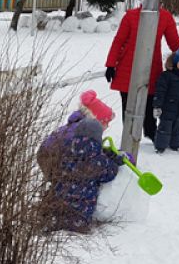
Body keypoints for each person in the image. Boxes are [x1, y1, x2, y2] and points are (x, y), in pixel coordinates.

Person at [104, 0, 179, 141]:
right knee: (128, 105)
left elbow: (174, 42)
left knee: (149, 103)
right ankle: (129, 135)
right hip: (128, 68)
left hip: (151, 68)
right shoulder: (131, 16)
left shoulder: (165, 17)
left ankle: (150, 132)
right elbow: (119, 41)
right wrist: (111, 65)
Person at [37, 91, 124, 232]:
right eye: (106, 122)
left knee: (64, 184)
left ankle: (52, 211)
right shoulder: (80, 132)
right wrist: (111, 161)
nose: (107, 126)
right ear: (96, 120)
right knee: (71, 181)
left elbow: (84, 152)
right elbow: (95, 160)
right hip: (49, 157)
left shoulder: (80, 128)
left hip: (54, 157)